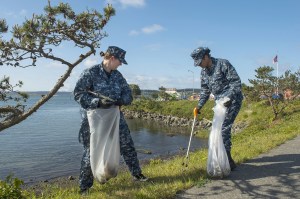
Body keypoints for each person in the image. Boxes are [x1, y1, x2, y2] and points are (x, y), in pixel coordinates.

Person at [73, 46, 148, 194]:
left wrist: (122, 100)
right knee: (91, 151)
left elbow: (128, 93)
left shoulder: (117, 76)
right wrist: (98, 102)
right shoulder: (91, 73)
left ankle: (137, 174)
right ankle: (84, 187)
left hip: (115, 117)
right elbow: (78, 94)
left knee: (127, 145)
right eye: (120, 61)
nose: (121, 64)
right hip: (95, 120)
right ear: (112, 58)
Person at [190, 47, 243, 171]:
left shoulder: (223, 64)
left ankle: (227, 160)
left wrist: (229, 97)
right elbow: (205, 91)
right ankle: (222, 158)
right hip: (219, 103)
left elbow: (236, 83)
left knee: (223, 128)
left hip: (232, 100)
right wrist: (198, 106)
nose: (199, 65)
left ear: (206, 57)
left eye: (200, 62)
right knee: (216, 130)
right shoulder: (203, 72)